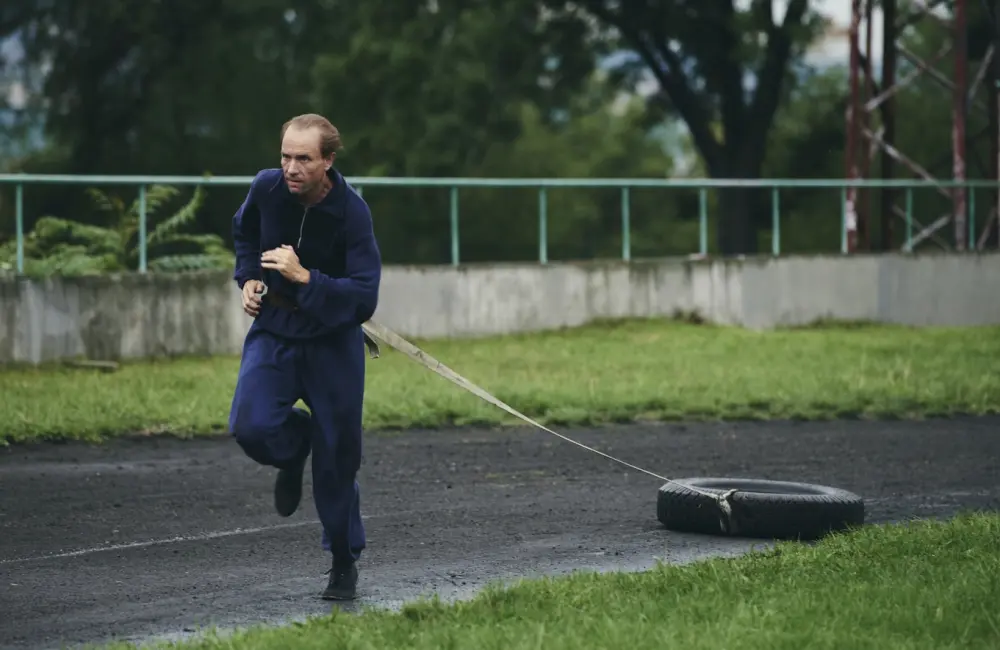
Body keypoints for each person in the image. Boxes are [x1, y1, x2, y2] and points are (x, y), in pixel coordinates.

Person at [227, 113, 381, 601]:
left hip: (333, 340)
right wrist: (250, 279)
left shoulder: (353, 213)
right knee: (250, 425)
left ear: (328, 161)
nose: (290, 168)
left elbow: (364, 297)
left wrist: (305, 277)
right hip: (274, 329)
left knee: (338, 458)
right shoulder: (265, 188)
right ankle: (295, 450)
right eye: (285, 156)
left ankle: (342, 560)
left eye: (303, 159)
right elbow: (245, 237)